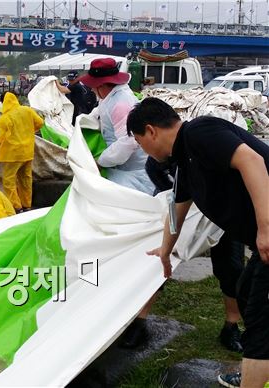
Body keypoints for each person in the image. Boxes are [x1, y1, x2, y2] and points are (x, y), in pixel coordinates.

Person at [127, 97, 269, 388]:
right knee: (245, 291)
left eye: (142, 144)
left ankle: (255, 376)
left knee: (260, 318)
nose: (146, 153)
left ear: (152, 131)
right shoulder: (184, 163)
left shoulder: (200, 133)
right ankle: (258, 370)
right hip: (261, 245)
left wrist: (266, 228)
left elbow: (252, 161)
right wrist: (165, 251)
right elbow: (177, 209)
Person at [144, 156, 245, 353]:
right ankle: (139, 321)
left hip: (224, 211)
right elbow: (152, 167)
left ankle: (231, 326)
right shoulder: (175, 145)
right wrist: (175, 193)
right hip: (181, 207)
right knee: (159, 257)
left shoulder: (224, 140)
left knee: (231, 267)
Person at [78, 57, 154, 195]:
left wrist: (101, 161)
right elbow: (101, 111)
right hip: (124, 168)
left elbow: (129, 140)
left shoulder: (121, 102)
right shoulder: (110, 98)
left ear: (101, 85)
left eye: (93, 87)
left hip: (134, 171)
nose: (92, 90)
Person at [0, 92, 44, 213]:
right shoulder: (27, 110)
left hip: (12, 155)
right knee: (26, 179)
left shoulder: (4, 118)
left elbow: (0, 138)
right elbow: (40, 123)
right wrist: (29, 131)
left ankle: (17, 206)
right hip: (27, 152)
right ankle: (27, 205)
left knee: (9, 182)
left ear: (3, 102)